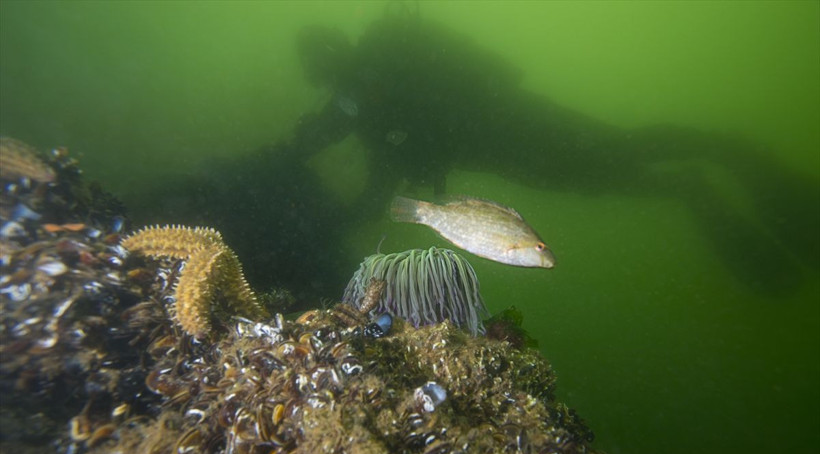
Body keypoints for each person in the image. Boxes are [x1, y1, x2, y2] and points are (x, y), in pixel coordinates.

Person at [281, 12, 819, 294]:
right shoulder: (368, 106)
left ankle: (720, 149)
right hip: (521, 156)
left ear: (337, 55)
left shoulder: (388, 59)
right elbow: (385, 175)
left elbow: (393, 148)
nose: (330, 85)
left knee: (613, 151)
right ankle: (687, 185)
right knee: (600, 175)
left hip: (525, 124)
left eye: (325, 70)